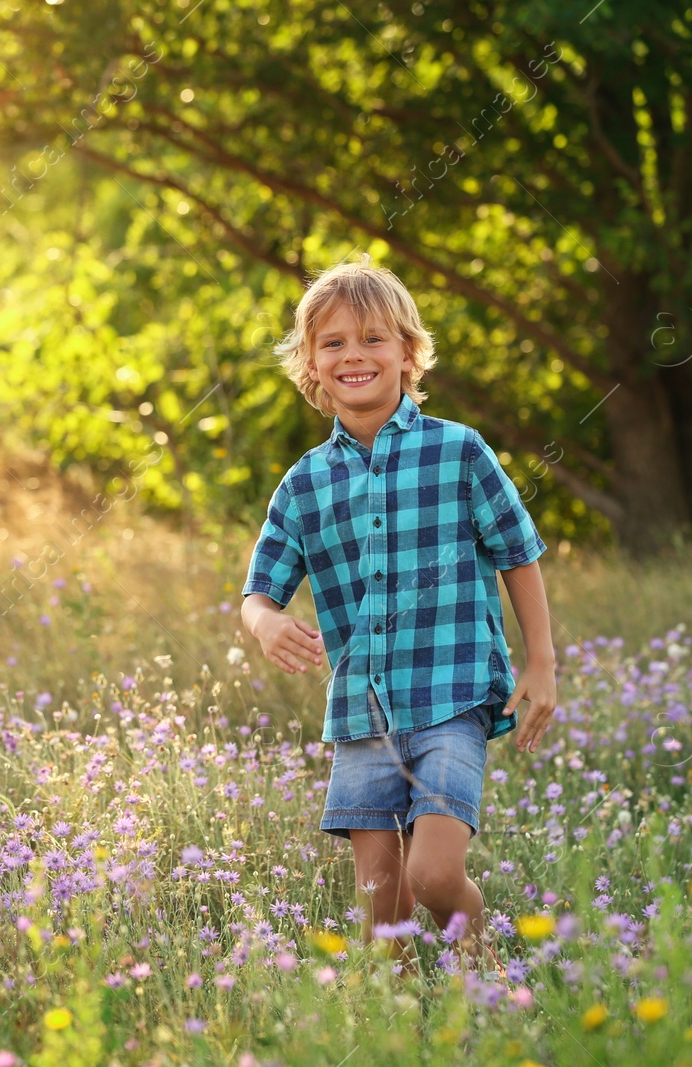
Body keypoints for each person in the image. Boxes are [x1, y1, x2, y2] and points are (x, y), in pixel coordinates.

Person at [238, 254, 558, 982]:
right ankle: (407, 1033)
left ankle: (490, 986)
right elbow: (259, 591)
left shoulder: (458, 451)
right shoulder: (304, 485)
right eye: (334, 344)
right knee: (383, 921)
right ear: (311, 367)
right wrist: (264, 624)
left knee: (438, 874)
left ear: (408, 353)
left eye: (374, 339)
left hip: (450, 698)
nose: (354, 355)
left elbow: (519, 552)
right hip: (362, 713)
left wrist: (541, 662)